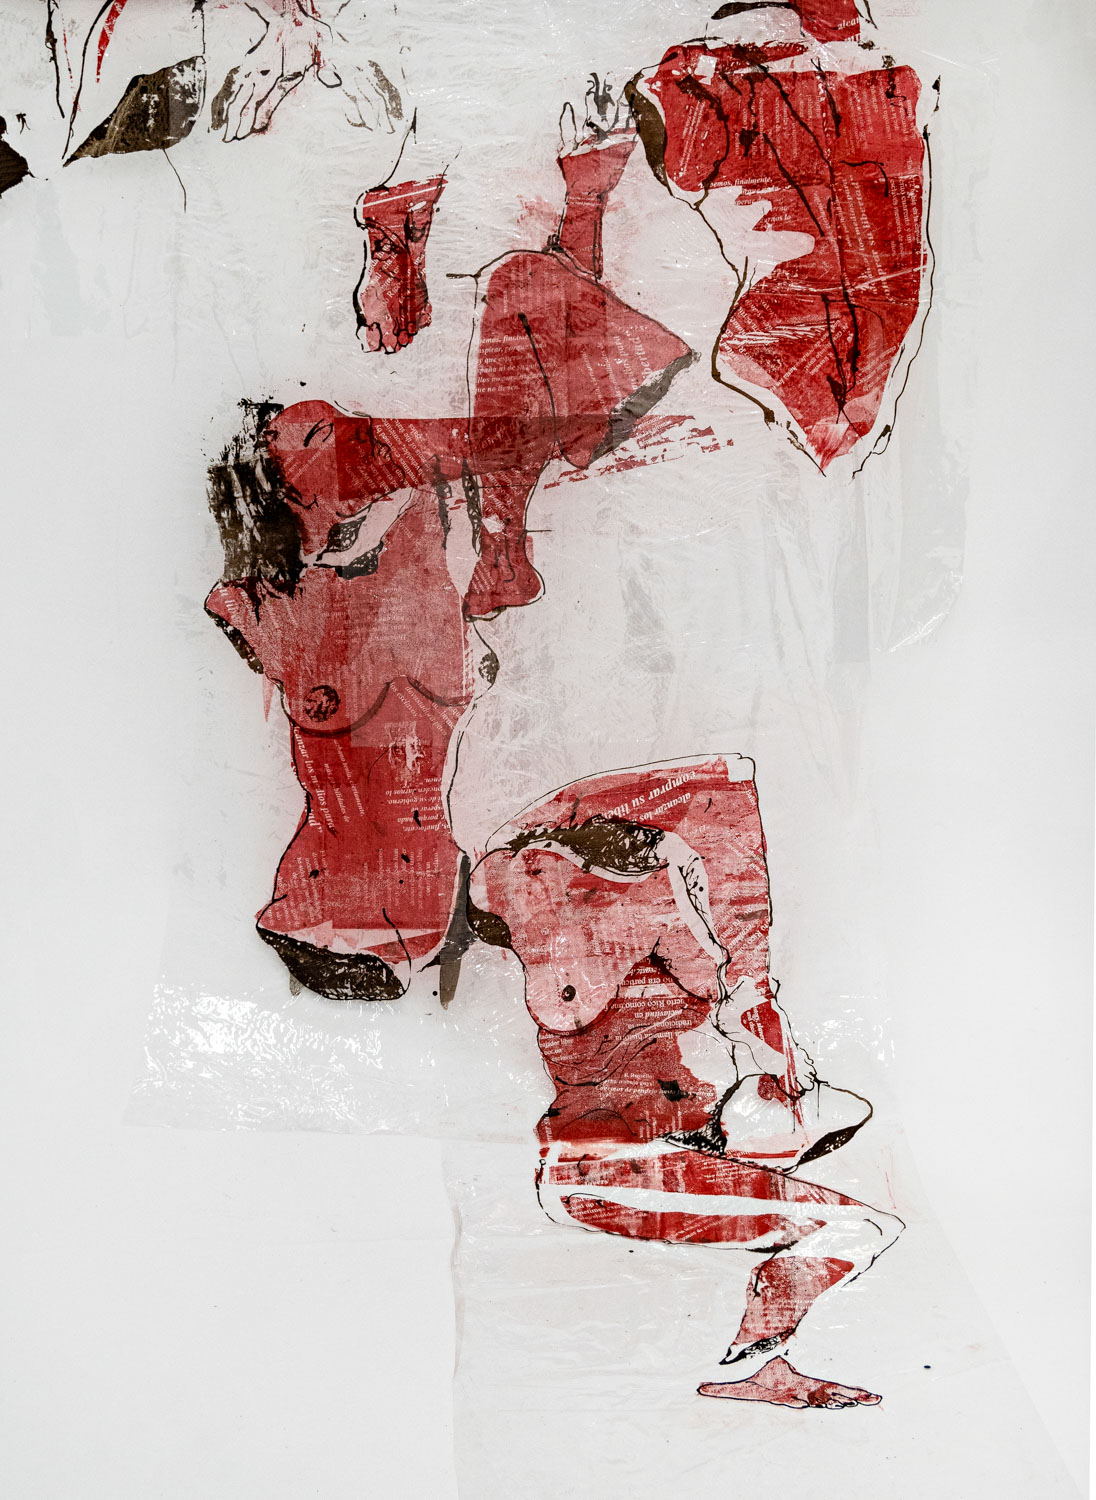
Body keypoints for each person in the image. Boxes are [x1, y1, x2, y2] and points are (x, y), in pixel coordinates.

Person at [470, 754, 902, 1408]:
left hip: (662, 1153)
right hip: (599, 1169)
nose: (678, 891)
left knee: (843, 1203)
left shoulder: (661, 935)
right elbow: (524, 902)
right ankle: (747, 1368)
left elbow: (722, 982)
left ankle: (762, 1366)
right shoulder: (566, 946)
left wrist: (765, 1041)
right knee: (856, 1229)